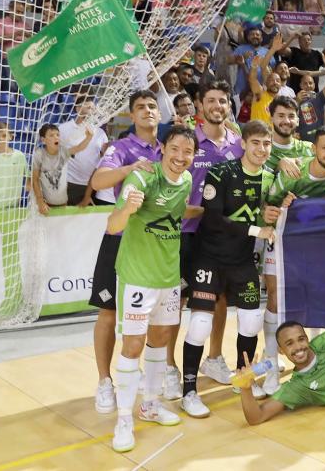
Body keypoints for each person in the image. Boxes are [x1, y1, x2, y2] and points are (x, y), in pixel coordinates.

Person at [107, 125, 198, 452]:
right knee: (133, 346)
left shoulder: (186, 180)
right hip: (137, 277)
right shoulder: (143, 178)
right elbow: (112, 224)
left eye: (187, 152)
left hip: (168, 278)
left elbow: (177, 213)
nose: (180, 157)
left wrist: (206, 213)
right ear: (163, 148)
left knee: (160, 343)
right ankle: (124, 420)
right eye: (175, 149)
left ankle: (150, 404)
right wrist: (128, 208)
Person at [181, 120, 278, 415]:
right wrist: (255, 230)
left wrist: (274, 210)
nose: (261, 149)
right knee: (200, 325)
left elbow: (271, 209)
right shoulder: (221, 172)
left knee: (251, 322)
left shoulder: (271, 177)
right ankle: (188, 392)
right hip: (209, 258)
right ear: (244, 144)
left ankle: (242, 377)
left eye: (267, 144)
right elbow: (211, 219)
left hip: (242, 260)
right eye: (256, 143)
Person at [261, 125, 325, 394]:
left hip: (315, 247)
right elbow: (265, 205)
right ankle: (270, 364)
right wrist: (280, 208)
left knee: (316, 299)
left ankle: (317, 361)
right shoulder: (293, 172)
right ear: (313, 149)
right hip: (282, 242)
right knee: (274, 300)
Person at [87, 90, 162, 414]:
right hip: (120, 237)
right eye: (141, 107)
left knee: (151, 314)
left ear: (160, 114)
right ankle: (104, 381)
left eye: (152, 106)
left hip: (155, 243)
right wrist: (131, 166)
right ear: (131, 116)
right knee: (109, 312)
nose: (147, 110)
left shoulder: (169, 150)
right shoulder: (121, 148)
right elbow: (99, 178)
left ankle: (138, 369)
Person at [178, 80, 244, 393]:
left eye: (223, 101)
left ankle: (214, 357)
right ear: (200, 105)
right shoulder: (188, 141)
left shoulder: (237, 143)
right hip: (187, 231)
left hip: (222, 235)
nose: (218, 106)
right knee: (176, 300)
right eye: (212, 101)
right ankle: (168, 366)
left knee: (218, 298)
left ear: (229, 106)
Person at [59, 95, 110, 207]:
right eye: (88, 107)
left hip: (93, 184)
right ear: (77, 108)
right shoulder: (63, 129)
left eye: (93, 108)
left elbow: (105, 156)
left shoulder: (100, 132)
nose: (91, 111)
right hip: (69, 183)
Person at [32, 123, 93, 214]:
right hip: (45, 203)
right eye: (51, 135)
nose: (56, 137)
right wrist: (40, 201)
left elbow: (79, 148)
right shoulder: (39, 155)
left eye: (57, 135)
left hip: (63, 202)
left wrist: (89, 137)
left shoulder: (63, 152)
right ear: (43, 140)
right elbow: (35, 179)